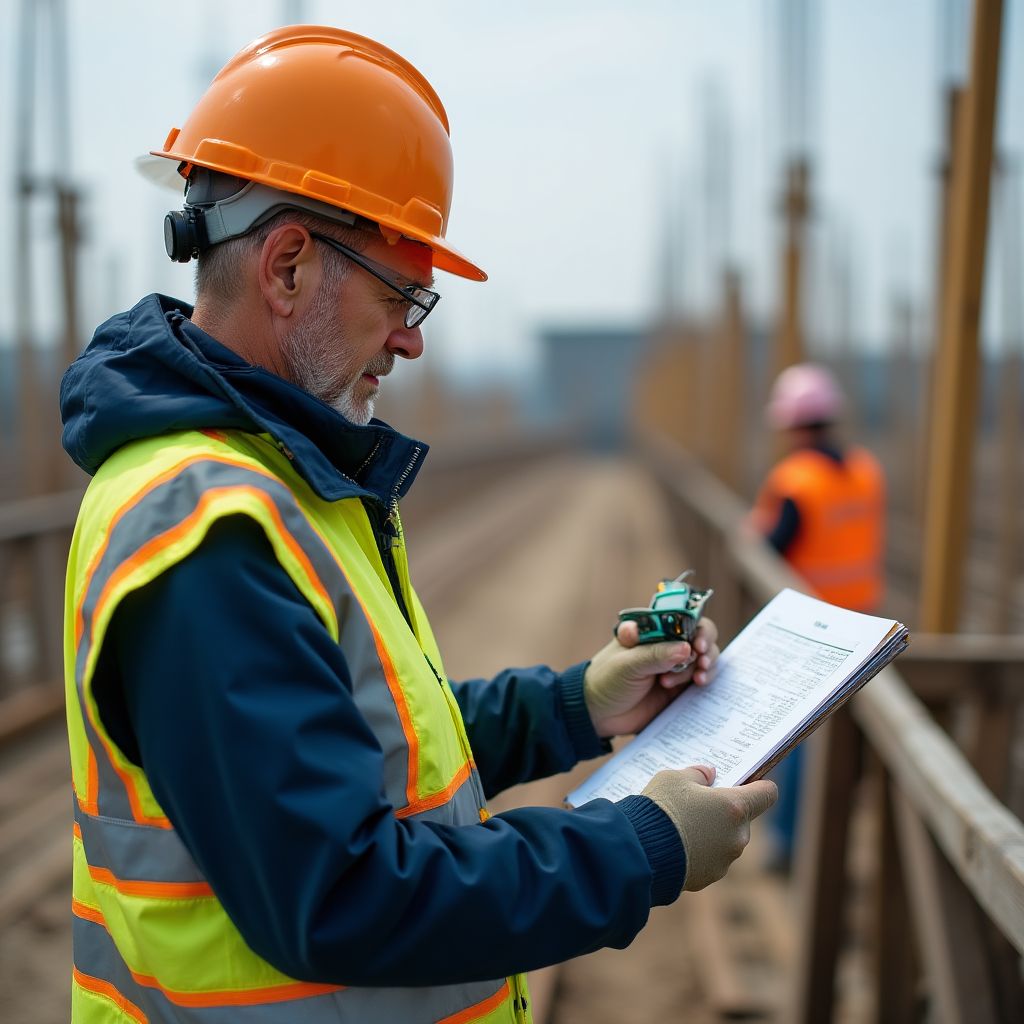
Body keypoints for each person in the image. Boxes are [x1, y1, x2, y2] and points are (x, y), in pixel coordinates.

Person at [60, 26, 776, 1024]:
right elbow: (340, 889)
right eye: (403, 294)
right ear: (288, 267)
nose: (408, 336)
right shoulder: (202, 530)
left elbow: (360, 742)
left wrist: (576, 705)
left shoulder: (274, 476)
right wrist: (640, 845)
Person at [747, 362, 886, 868]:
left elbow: (770, 546)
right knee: (846, 738)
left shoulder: (795, 480)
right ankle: (834, 843)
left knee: (799, 740)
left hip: (811, 630)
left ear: (791, 424)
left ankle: (788, 845)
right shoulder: (866, 469)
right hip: (865, 625)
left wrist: (751, 533)